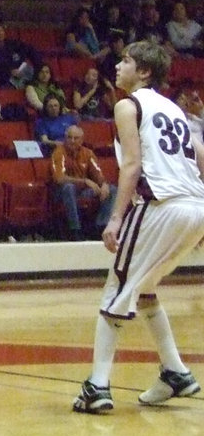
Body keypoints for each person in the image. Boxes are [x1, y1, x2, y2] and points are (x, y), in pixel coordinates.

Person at [72, 41, 204, 414]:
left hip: (161, 204)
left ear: (144, 71)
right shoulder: (175, 109)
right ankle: (175, 372)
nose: (117, 65)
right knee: (143, 288)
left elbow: (131, 165)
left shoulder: (128, 105)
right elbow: (199, 154)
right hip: (196, 206)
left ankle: (96, 386)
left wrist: (116, 218)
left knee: (115, 289)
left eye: (126, 60)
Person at [51, 123, 117, 241]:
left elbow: (97, 173)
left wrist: (104, 184)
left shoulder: (88, 153)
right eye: (69, 137)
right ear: (65, 138)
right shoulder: (59, 152)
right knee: (68, 187)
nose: (72, 141)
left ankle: (100, 227)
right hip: (60, 192)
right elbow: (59, 178)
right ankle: (75, 230)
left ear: (82, 140)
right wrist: (85, 181)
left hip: (82, 191)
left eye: (75, 138)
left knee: (111, 190)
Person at [0, 21, 37, 89]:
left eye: (1, 31)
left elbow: (27, 51)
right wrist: (9, 71)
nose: (0, 33)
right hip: (3, 78)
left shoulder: (13, 44)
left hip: (20, 74)